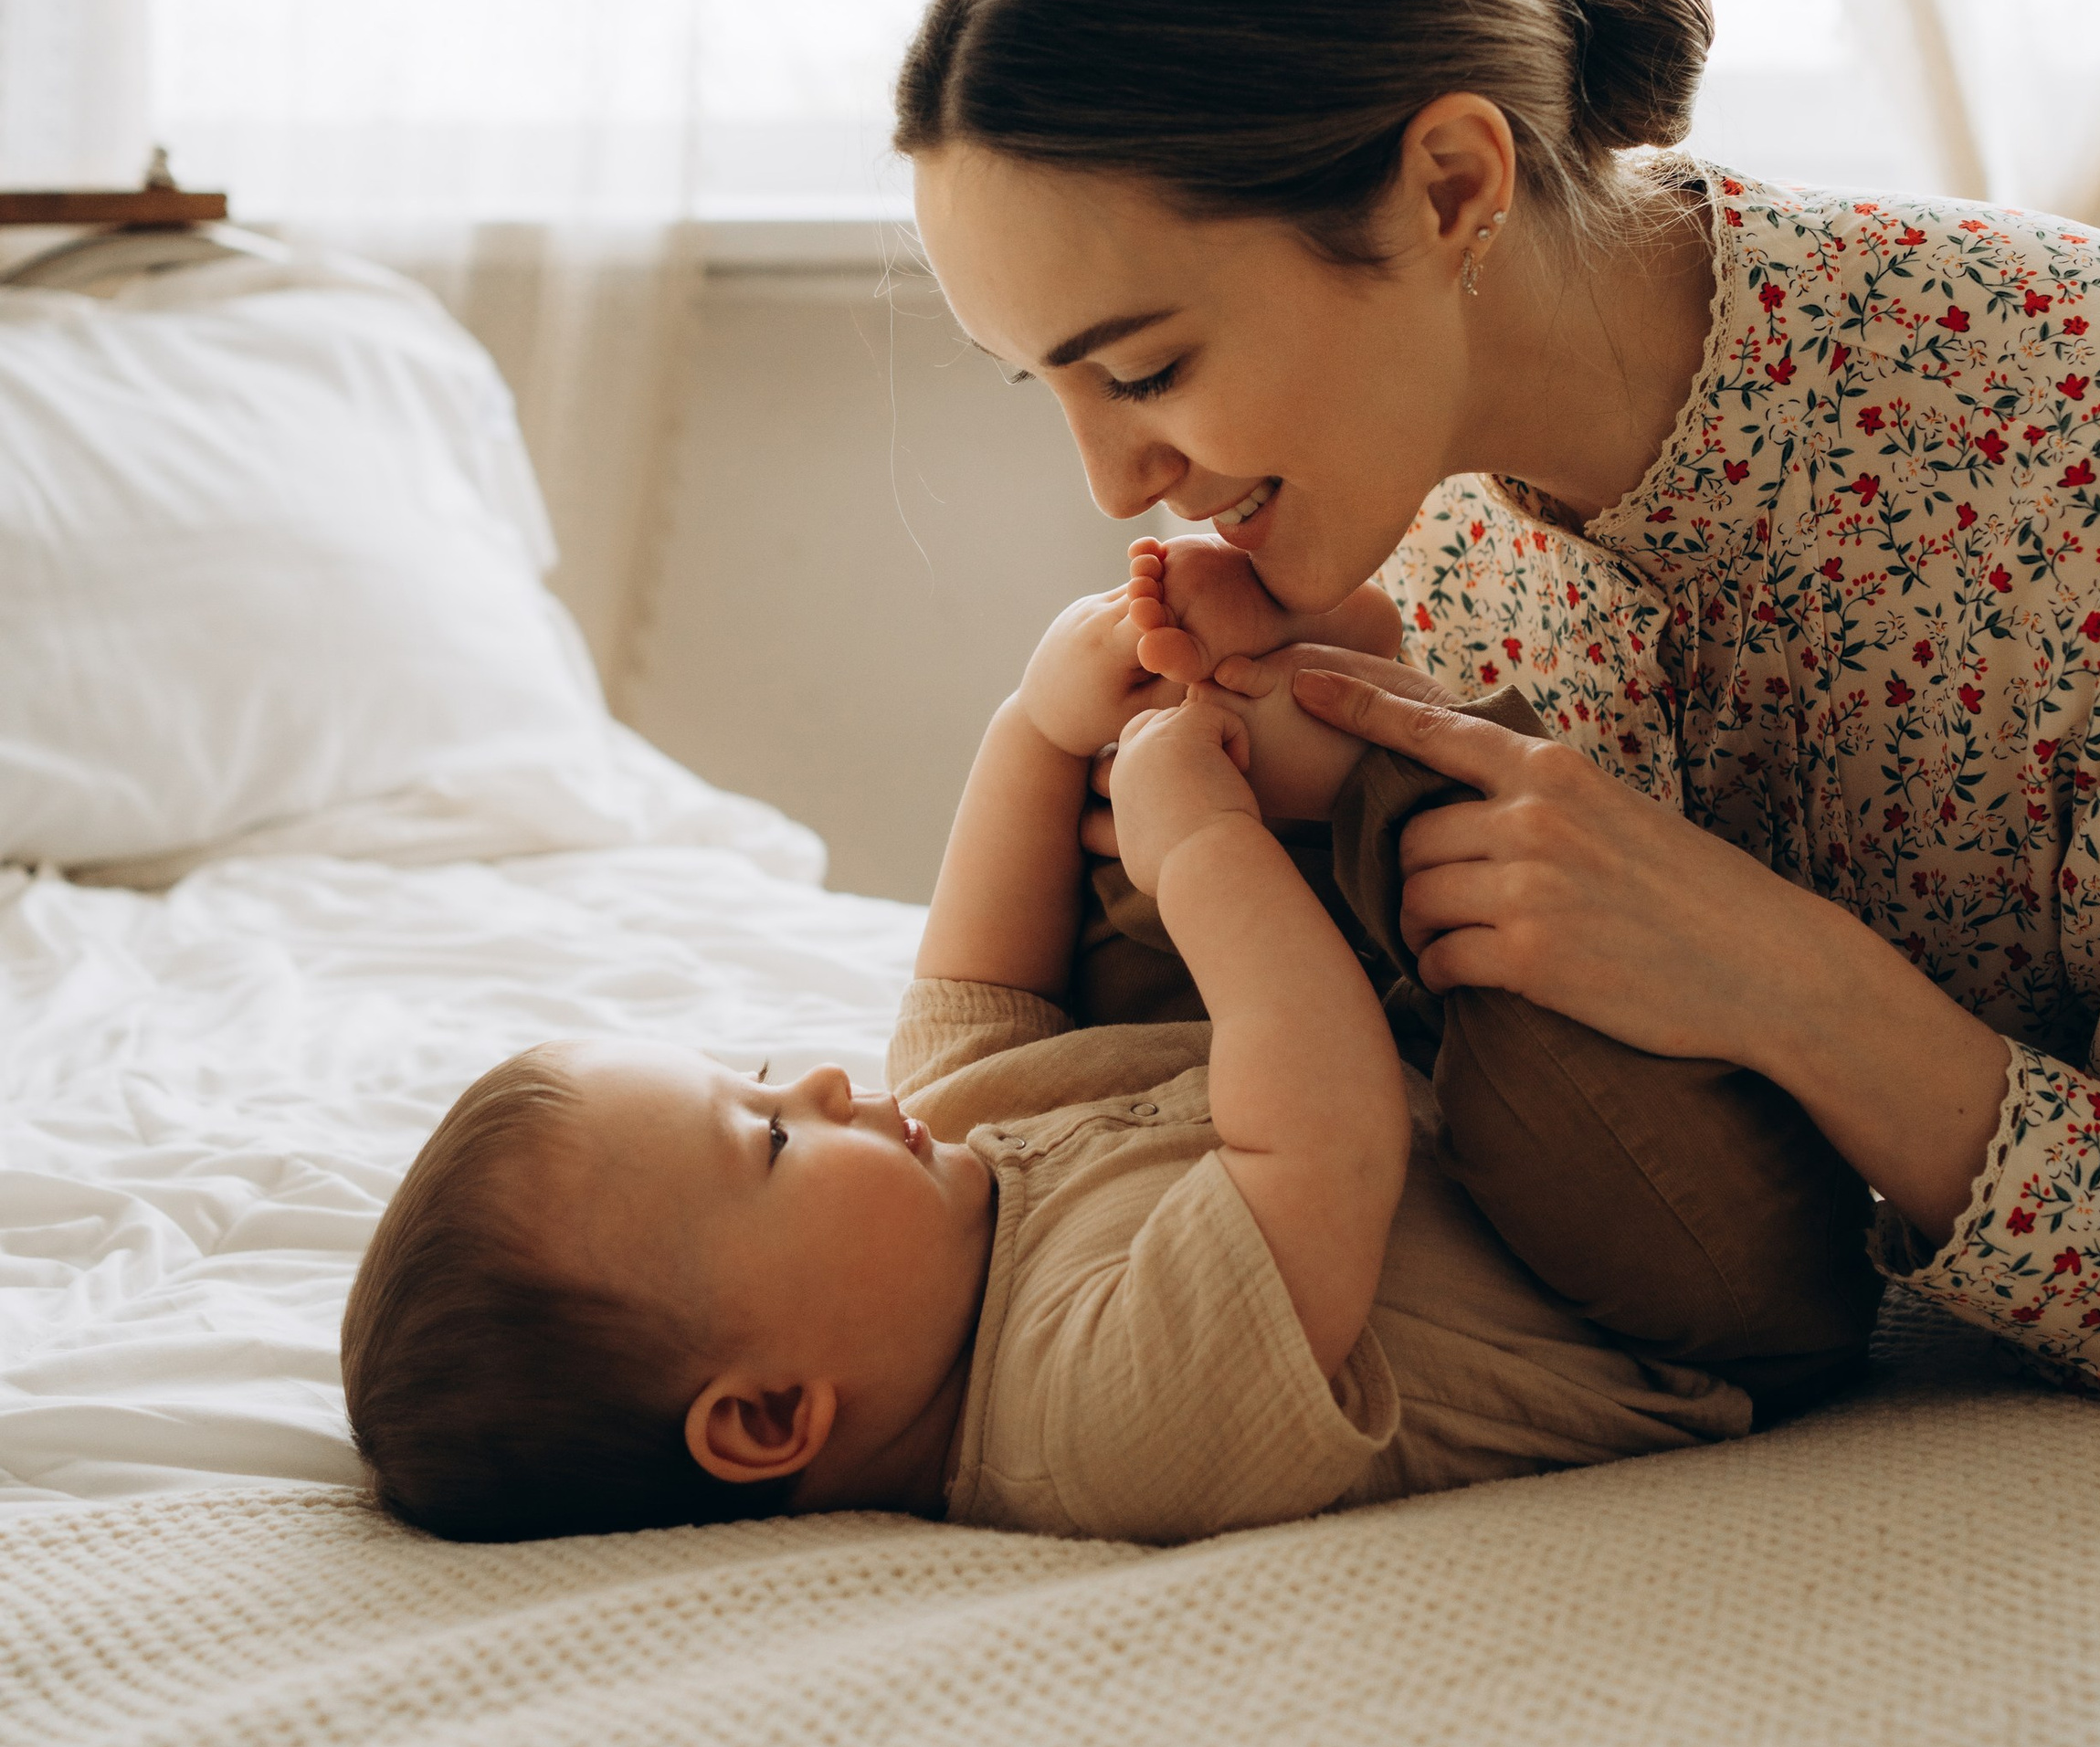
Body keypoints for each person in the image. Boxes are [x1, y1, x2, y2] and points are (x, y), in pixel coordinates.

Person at [895, 0, 2100, 1436]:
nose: (1112, 485)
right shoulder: (1394, 544)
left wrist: (1800, 987)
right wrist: (1301, 837)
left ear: (1449, 185)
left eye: (1145, 367)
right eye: (1046, 387)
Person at [341, 546, 1758, 1543]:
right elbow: (1323, 1136)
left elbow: (975, 965)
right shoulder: (1093, 1419)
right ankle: (1355, 737)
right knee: (1336, 918)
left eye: (764, 1069)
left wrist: (1051, 716)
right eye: (768, 1137)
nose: (828, 1084)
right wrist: (1200, 838)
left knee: (1104, 907)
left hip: (1400, 1077)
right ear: (773, 1414)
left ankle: (1247, 692)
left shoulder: (945, 1155)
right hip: (1660, 1265)